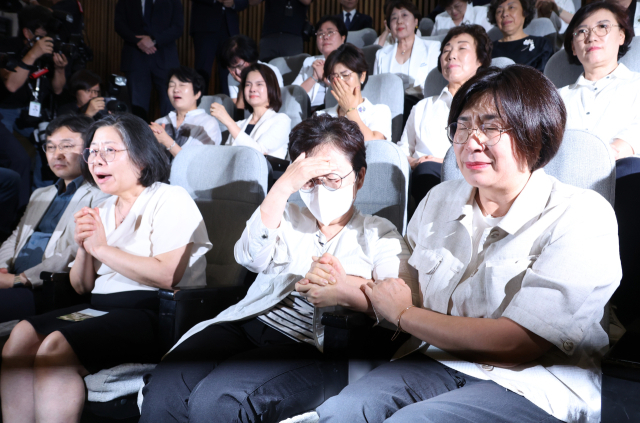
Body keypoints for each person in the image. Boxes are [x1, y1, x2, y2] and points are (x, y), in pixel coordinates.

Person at [317, 64, 621, 423]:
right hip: (437, 360)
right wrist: (342, 285)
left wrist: (404, 315)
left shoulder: (582, 214)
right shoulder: (439, 199)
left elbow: (516, 345)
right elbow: (405, 290)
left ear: (535, 134)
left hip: (535, 380)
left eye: (491, 126)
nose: (471, 141)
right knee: (340, 412)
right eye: (463, 125)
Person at [138, 113, 418, 423]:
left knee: (219, 399)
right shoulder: (286, 214)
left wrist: (345, 289)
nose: (321, 189)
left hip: (312, 344)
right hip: (251, 320)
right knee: (168, 383)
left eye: (333, 178)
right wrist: (282, 187)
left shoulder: (378, 232)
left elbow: (401, 303)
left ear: (360, 177)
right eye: (310, 180)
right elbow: (249, 257)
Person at [0, 113, 211, 423]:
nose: (96, 160)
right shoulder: (104, 207)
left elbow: (167, 274)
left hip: (153, 312)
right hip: (99, 307)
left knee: (54, 349)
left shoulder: (169, 198)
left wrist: (102, 248)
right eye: (93, 151)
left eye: (109, 150)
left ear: (141, 156)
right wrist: (86, 248)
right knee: (20, 336)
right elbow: (82, 286)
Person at [0, 115, 109, 323]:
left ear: (89, 150)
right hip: (12, 280)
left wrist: (19, 280)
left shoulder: (100, 195)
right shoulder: (41, 194)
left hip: (47, 287)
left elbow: (74, 250)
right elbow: (16, 236)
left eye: (66, 146)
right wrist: (2, 269)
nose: (57, 154)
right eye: (50, 147)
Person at [399, 24, 492, 204]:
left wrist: (441, 162)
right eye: (446, 50)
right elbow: (402, 150)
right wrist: (414, 162)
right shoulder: (422, 106)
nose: (451, 55)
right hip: (421, 176)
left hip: (467, 176)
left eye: (462, 48)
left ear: (480, 59)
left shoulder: (488, 106)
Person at [559, 1, 640, 179]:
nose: (591, 37)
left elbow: (633, 137)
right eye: (582, 31)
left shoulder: (637, 85)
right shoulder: (556, 98)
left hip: (622, 178)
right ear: (573, 46)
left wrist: (599, 162)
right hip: (564, 184)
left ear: (621, 36)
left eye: (602, 27)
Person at [0, 5, 68, 135]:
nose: (45, 39)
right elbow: (11, 85)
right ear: (27, 32)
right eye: (41, 35)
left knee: (46, 147)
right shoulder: (7, 46)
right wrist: (33, 54)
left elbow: (58, 89)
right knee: (13, 155)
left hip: (32, 110)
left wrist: (60, 69)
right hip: (4, 109)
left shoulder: (48, 50)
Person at [373, 0, 441, 122]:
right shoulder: (381, 54)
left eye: (404, 15)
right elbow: (377, 89)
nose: (399, 21)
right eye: (394, 18)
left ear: (416, 21)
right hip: (387, 111)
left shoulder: (432, 48)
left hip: (420, 107)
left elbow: (433, 87)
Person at [114, 0, 184, 118]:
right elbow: (119, 24)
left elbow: (178, 27)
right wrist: (138, 41)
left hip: (165, 58)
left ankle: (169, 135)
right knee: (137, 106)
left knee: (170, 103)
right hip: (135, 58)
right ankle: (139, 136)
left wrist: (154, 40)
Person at [211, 63, 291, 159]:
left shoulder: (281, 120)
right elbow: (226, 157)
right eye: (248, 85)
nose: (252, 89)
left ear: (271, 87)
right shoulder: (239, 125)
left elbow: (258, 153)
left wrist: (229, 122)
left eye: (259, 84)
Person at [318, 44, 392, 141]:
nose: (340, 82)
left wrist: (350, 110)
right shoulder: (321, 116)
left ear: (362, 76)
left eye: (345, 75)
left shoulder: (379, 111)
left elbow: (375, 146)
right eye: (333, 77)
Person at [150, 66, 222, 160]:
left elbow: (198, 163)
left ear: (197, 94)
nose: (175, 90)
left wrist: (167, 141)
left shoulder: (207, 124)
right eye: (171, 86)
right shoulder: (160, 122)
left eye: (182, 85)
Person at [190, 0, 249, 96]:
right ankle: (199, 108)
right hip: (205, 25)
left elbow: (244, 1)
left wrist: (234, 3)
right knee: (202, 73)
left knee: (230, 73)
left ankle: (230, 109)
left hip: (229, 28)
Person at [292, 15, 347, 110]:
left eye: (330, 32)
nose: (325, 37)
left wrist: (324, 78)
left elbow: (348, 93)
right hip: (309, 113)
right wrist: (314, 77)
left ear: (343, 38)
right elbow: (294, 95)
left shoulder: (349, 61)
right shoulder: (309, 62)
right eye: (320, 34)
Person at [220, 34, 284, 110]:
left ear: (250, 58)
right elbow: (239, 113)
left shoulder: (270, 71)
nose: (237, 72)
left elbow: (277, 105)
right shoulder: (232, 75)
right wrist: (242, 84)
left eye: (240, 66)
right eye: (232, 67)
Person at [488, 0, 554, 72]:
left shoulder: (542, 45)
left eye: (511, 7)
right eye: (499, 11)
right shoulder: (488, 49)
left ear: (525, 12)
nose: (505, 14)